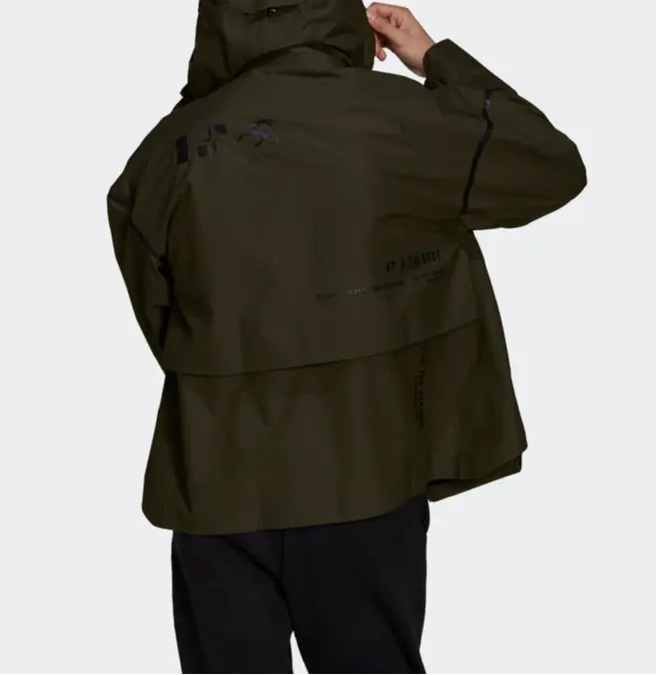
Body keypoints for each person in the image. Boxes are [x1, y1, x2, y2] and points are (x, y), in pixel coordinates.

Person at [106, 1, 586, 672]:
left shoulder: (165, 151)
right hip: (363, 475)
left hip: (215, 485)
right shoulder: (403, 121)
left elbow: (167, 323)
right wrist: (436, 59)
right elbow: (551, 166)